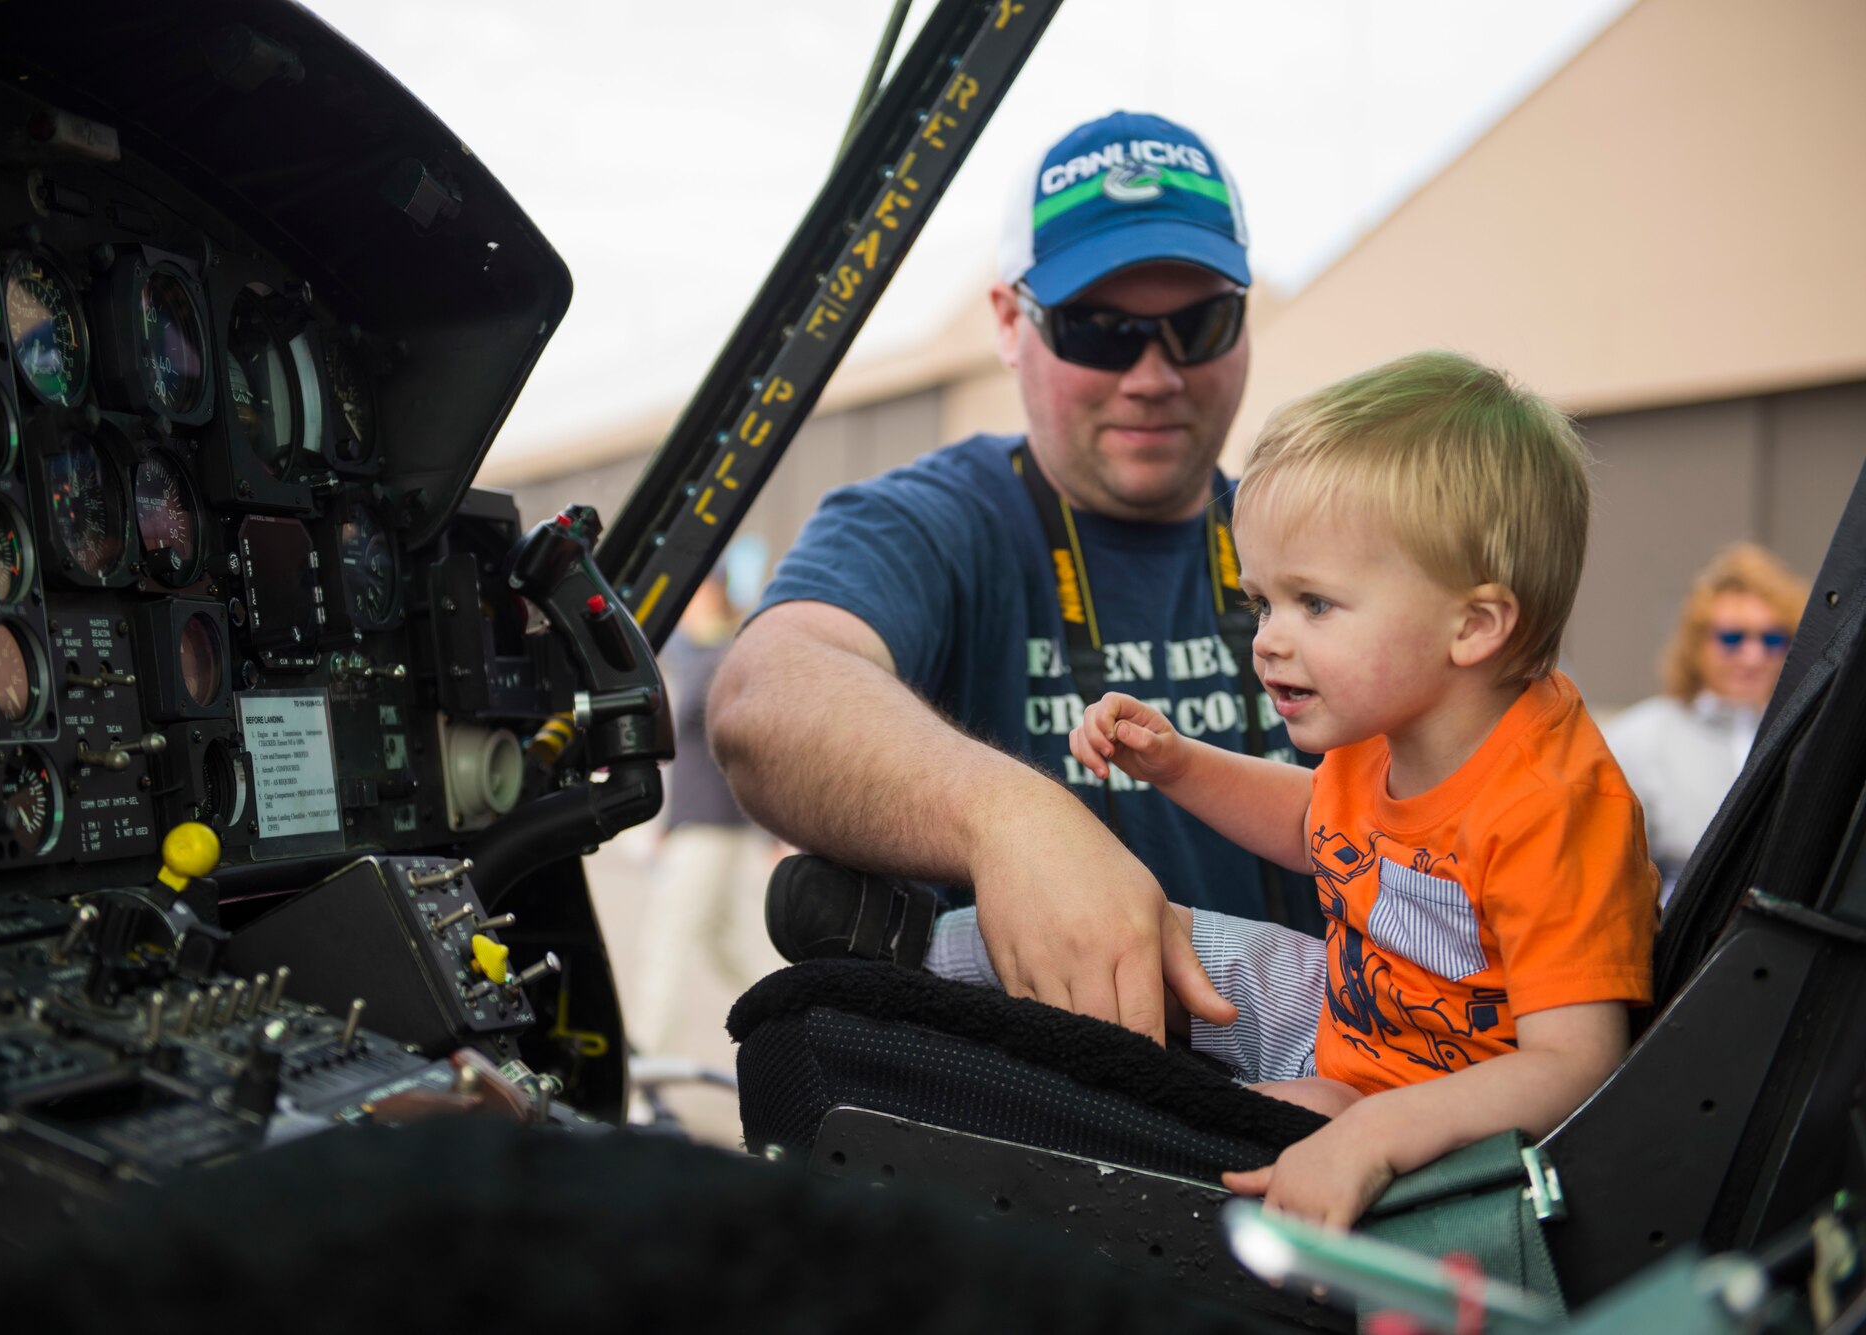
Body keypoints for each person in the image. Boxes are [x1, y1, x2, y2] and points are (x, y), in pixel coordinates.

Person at [927, 350, 1660, 1227]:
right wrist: (1177, 762)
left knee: (1206, 1139)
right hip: (1341, 1002)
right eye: (1261, 603)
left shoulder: (1554, 803)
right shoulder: (1387, 725)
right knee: (1135, 928)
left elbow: (1575, 1066)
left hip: (1438, 1102)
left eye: (1313, 604)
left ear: (1473, 624)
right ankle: (906, 952)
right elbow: (1319, 823)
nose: (1268, 640)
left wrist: (1379, 1130)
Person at [709, 111, 1308, 1048]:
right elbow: (764, 692)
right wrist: (1008, 816)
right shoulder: (936, 521)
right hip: (1041, 1135)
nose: (1154, 374)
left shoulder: (1323, 541)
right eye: (1100, 331)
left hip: (1334, 1101)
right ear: (1007, 321)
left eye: (1198, 324)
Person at [628, 571, 781, 1057]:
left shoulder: (727, 655)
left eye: (693, 593)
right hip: (698, 823)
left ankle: (645, 1068)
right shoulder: (689, 652)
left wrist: (771, 834)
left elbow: (752, 747)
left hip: (715, 826)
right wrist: (670, 826)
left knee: (665, 943)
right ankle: (792, 1013)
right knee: (722, 943)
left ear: (712, 593)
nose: (686, 603)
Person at [1603, 542, 1807, 902]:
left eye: (1773, 639)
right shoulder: (1639, 738)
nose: (1753, 655)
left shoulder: (1810, 733)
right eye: (1732, 637)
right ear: (1696, 644)